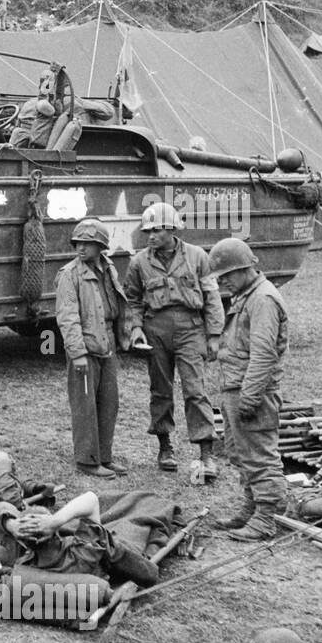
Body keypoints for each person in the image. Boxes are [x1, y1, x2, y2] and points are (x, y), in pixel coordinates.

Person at [124, 202, 225, 479]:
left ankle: (206, 454)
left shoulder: (196, 257)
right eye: (148, 231)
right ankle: (164, 447)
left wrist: (214, 335)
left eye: (156, 230)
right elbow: (132, 301)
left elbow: (211, 296)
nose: (151, 236)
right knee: (160, 390)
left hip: (190, 328)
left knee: (195, 390)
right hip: (155, 329)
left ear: (171, 229)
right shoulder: (139, 263)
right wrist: (135, 330)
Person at [209, 237, 289, 540]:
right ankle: (251, 507)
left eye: (227, 275)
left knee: (259, 454)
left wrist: (251, 397)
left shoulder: (263, 299)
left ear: (244, 268)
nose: (224, 282)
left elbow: (264, 353)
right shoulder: (247, 294)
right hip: (236, 387)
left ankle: (266, 518)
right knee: (240, 452)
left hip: (250, 391)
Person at [55, 218, 132, 478]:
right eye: (78, 243)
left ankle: (105, 457)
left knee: (109, 402)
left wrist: (124, 335)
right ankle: (87, 461)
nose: (81, 248)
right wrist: (76, 354)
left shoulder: (108, 269)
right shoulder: (69, 275)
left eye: (88, 243)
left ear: (101, 247)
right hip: (85, 347)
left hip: (107, 342)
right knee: (85, 405)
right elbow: (67, 317)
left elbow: (117, 303)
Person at [0, 491, 159, 586]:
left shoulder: (24, 563)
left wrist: (13, 526)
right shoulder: (82, 554)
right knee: (138, 512)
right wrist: (56, 521)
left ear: (21, 541)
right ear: (54, 532)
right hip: (116, 552)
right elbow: (91, 500)